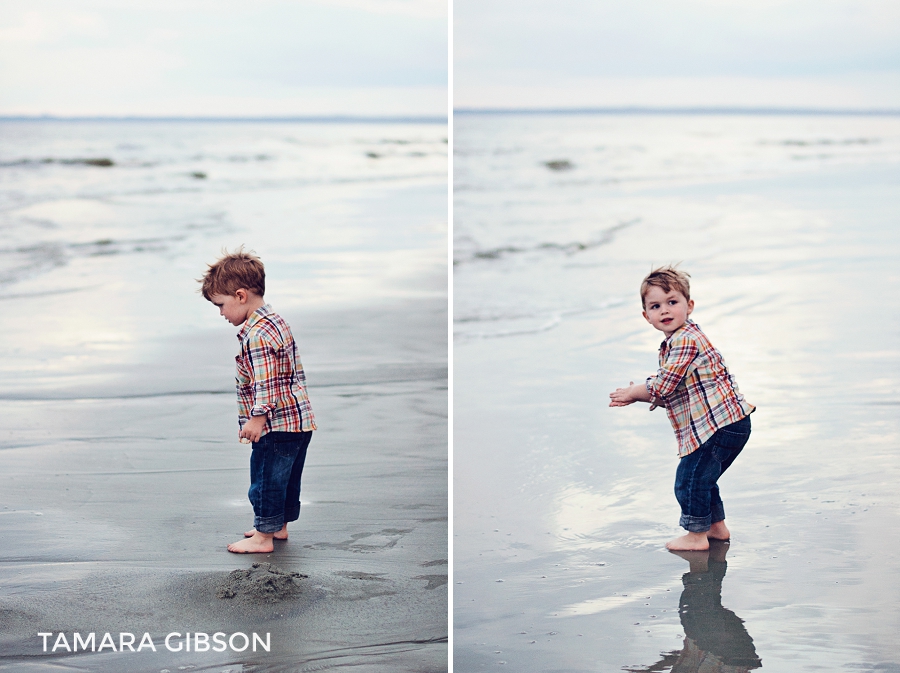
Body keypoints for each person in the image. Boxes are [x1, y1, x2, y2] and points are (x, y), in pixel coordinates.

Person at [609, 266, 754, 551]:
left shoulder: (685, 340)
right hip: (727, 423)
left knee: (689, 479)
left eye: (672, 302)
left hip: (720, 425)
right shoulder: (677, 340)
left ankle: (696, 536)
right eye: (655, 306)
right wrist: (646, 396)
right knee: (703, 476)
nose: (665, 310)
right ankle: (716, 528)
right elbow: (676, 390)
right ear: (646, 316)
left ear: (689, 306)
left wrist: (635, 392)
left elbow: (663, 385)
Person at [199, 247, 316, 554]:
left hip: (275, 424)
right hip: (298, 420)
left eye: (221, 305)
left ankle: (264, 536)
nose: (221, 313)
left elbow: (266, 381)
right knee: (287, 479)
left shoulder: (257, 335)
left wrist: (257, 416)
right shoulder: (275, 321)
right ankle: (278, 526)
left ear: (240, 296)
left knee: (265, 479)